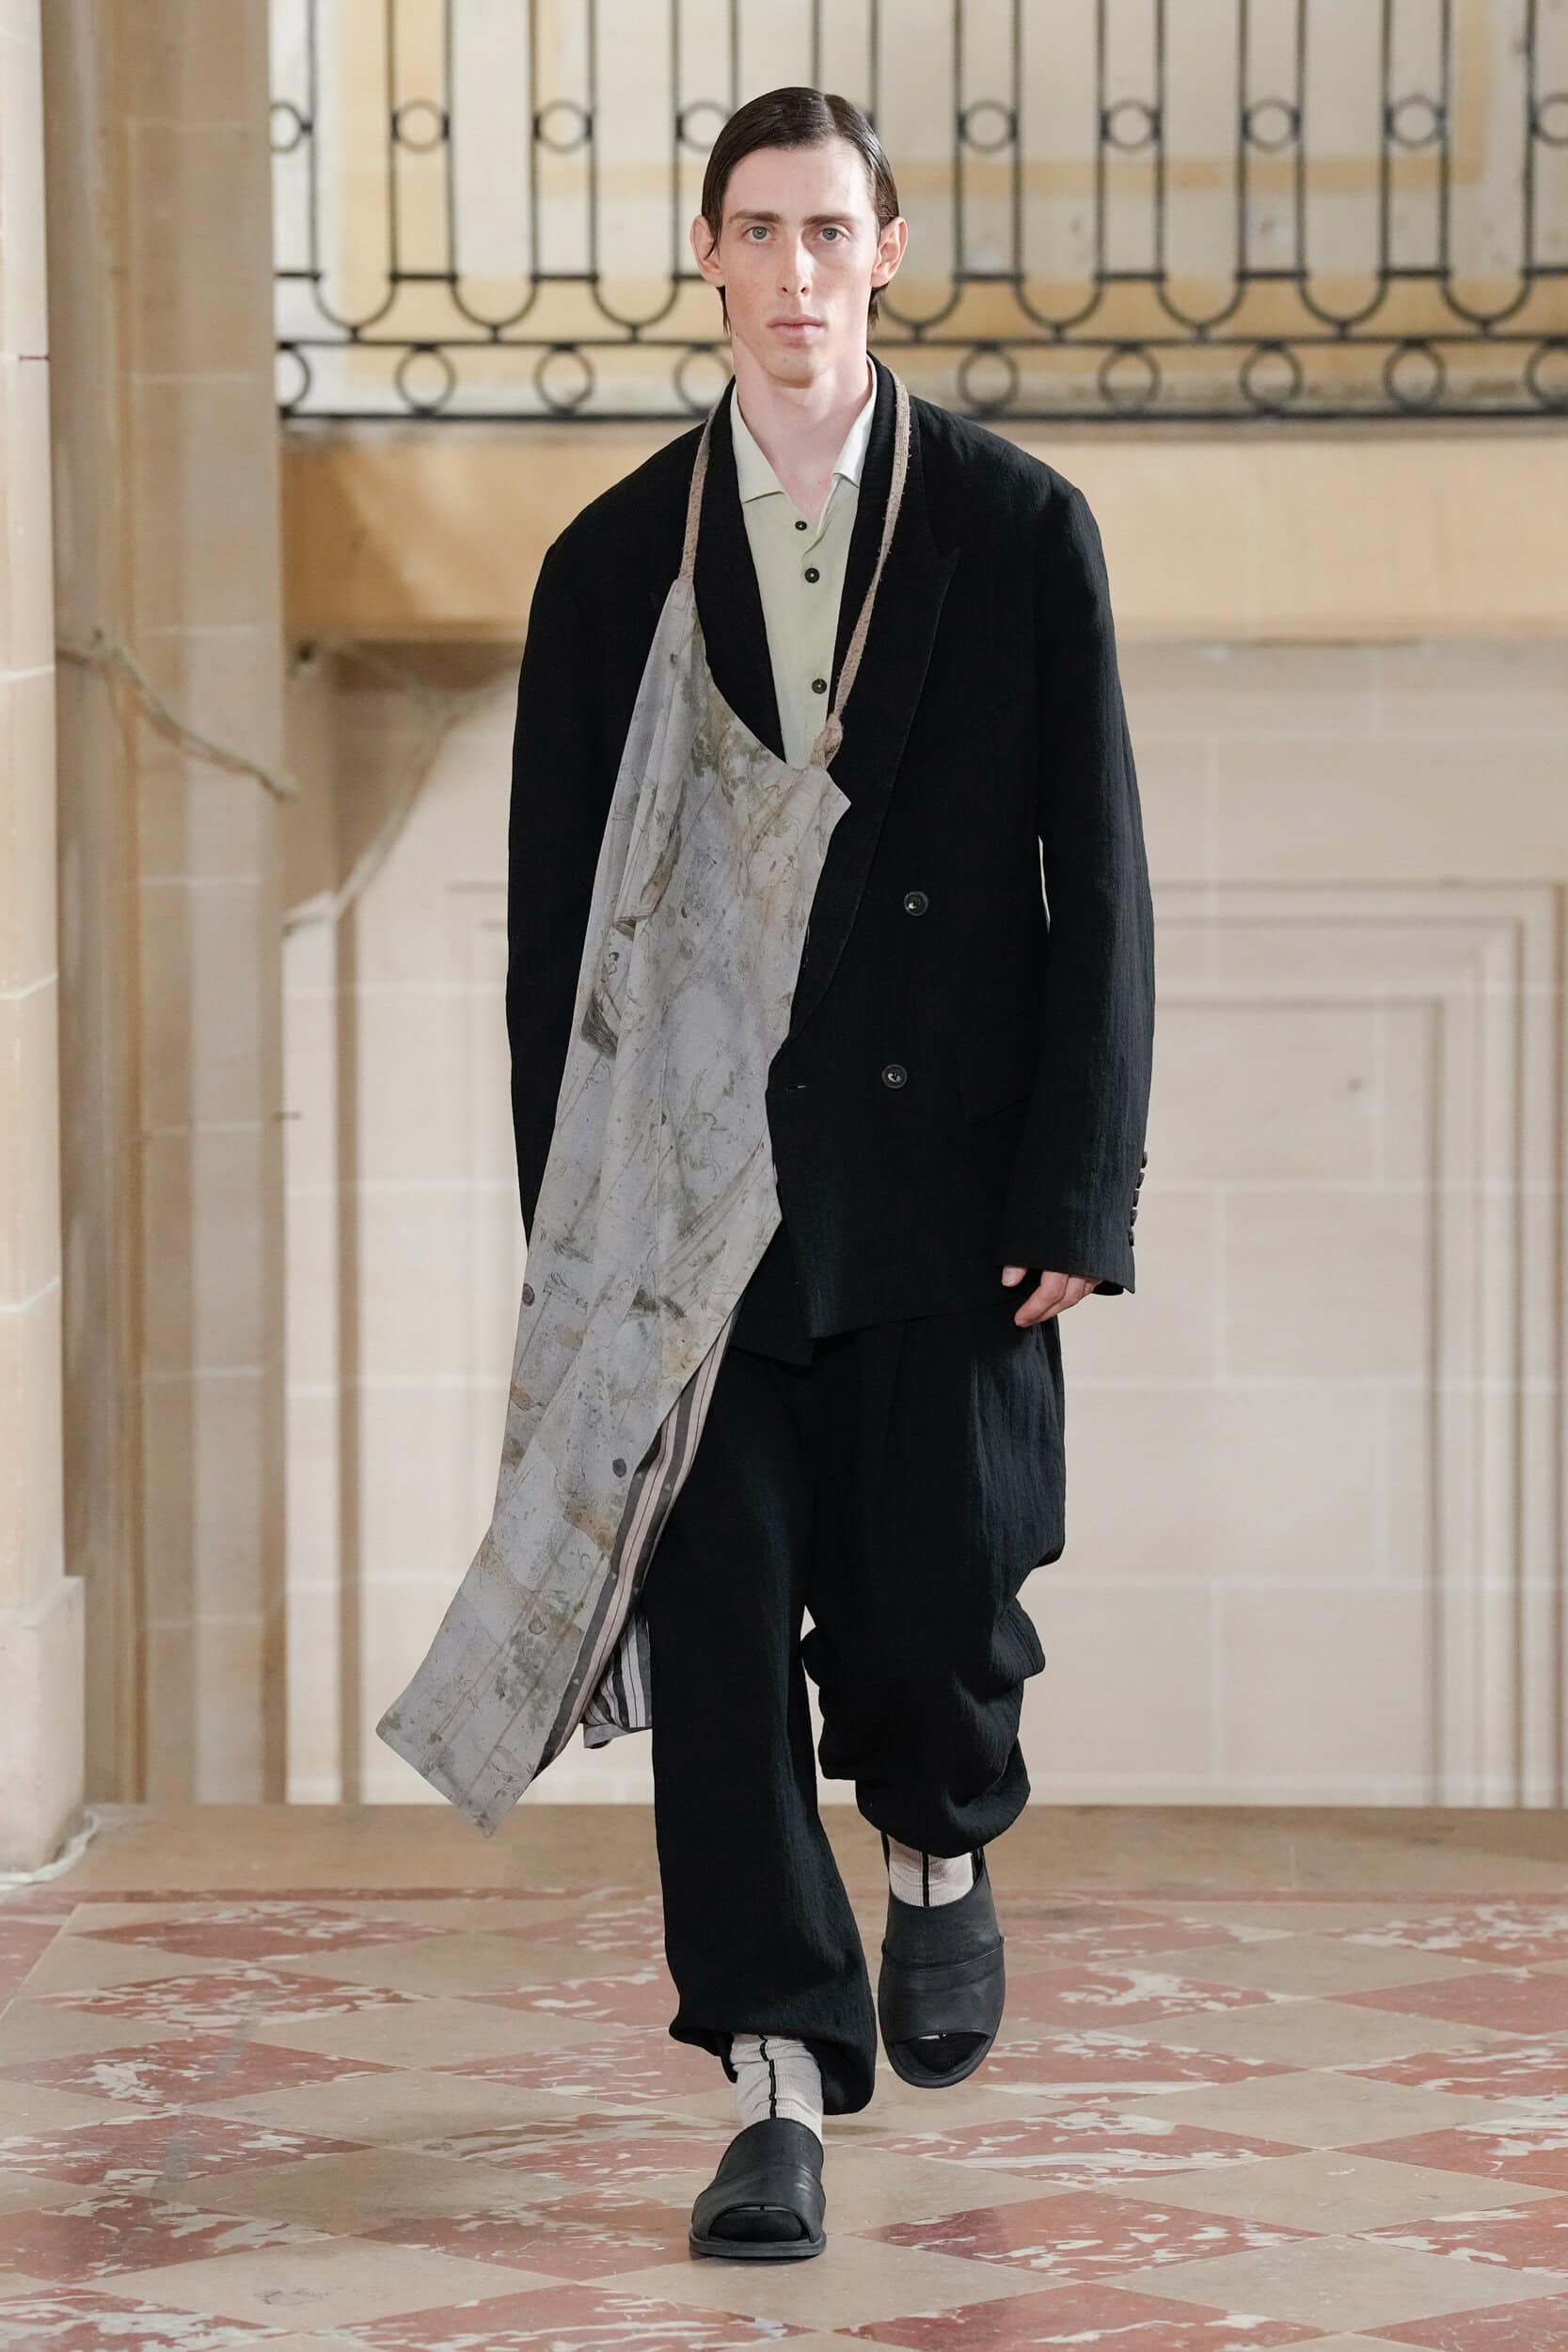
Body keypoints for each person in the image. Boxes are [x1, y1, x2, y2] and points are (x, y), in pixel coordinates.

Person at [503, 87, 1155, 2260]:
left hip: (947, 1195)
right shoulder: (613, 563)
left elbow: (1100, 880)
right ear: (707, 252)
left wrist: (1079, 1192)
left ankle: (941, 1841)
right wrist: (578, 1241)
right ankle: (774, 2081)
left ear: (889, 250)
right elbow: (554, 944)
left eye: (830, 230)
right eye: (759, 229)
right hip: (700, 1218)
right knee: (716, 1650)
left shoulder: (1019, 526)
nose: (796, 271)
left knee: (936, 1608)